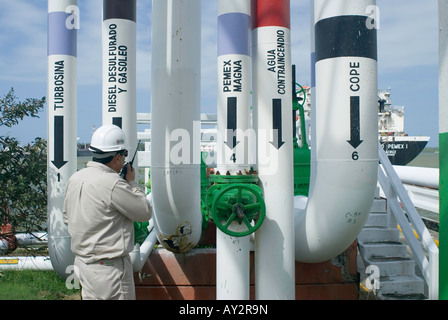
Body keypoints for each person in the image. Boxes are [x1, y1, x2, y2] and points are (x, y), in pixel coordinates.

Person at [63, 124, 152, 300]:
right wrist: (132, 184)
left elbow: (67, 218)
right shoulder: (113, 183)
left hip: (84, 265)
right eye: (125, 155)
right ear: (117, 157)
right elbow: (144, 212)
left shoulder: (75, 178)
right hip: (110, 270)